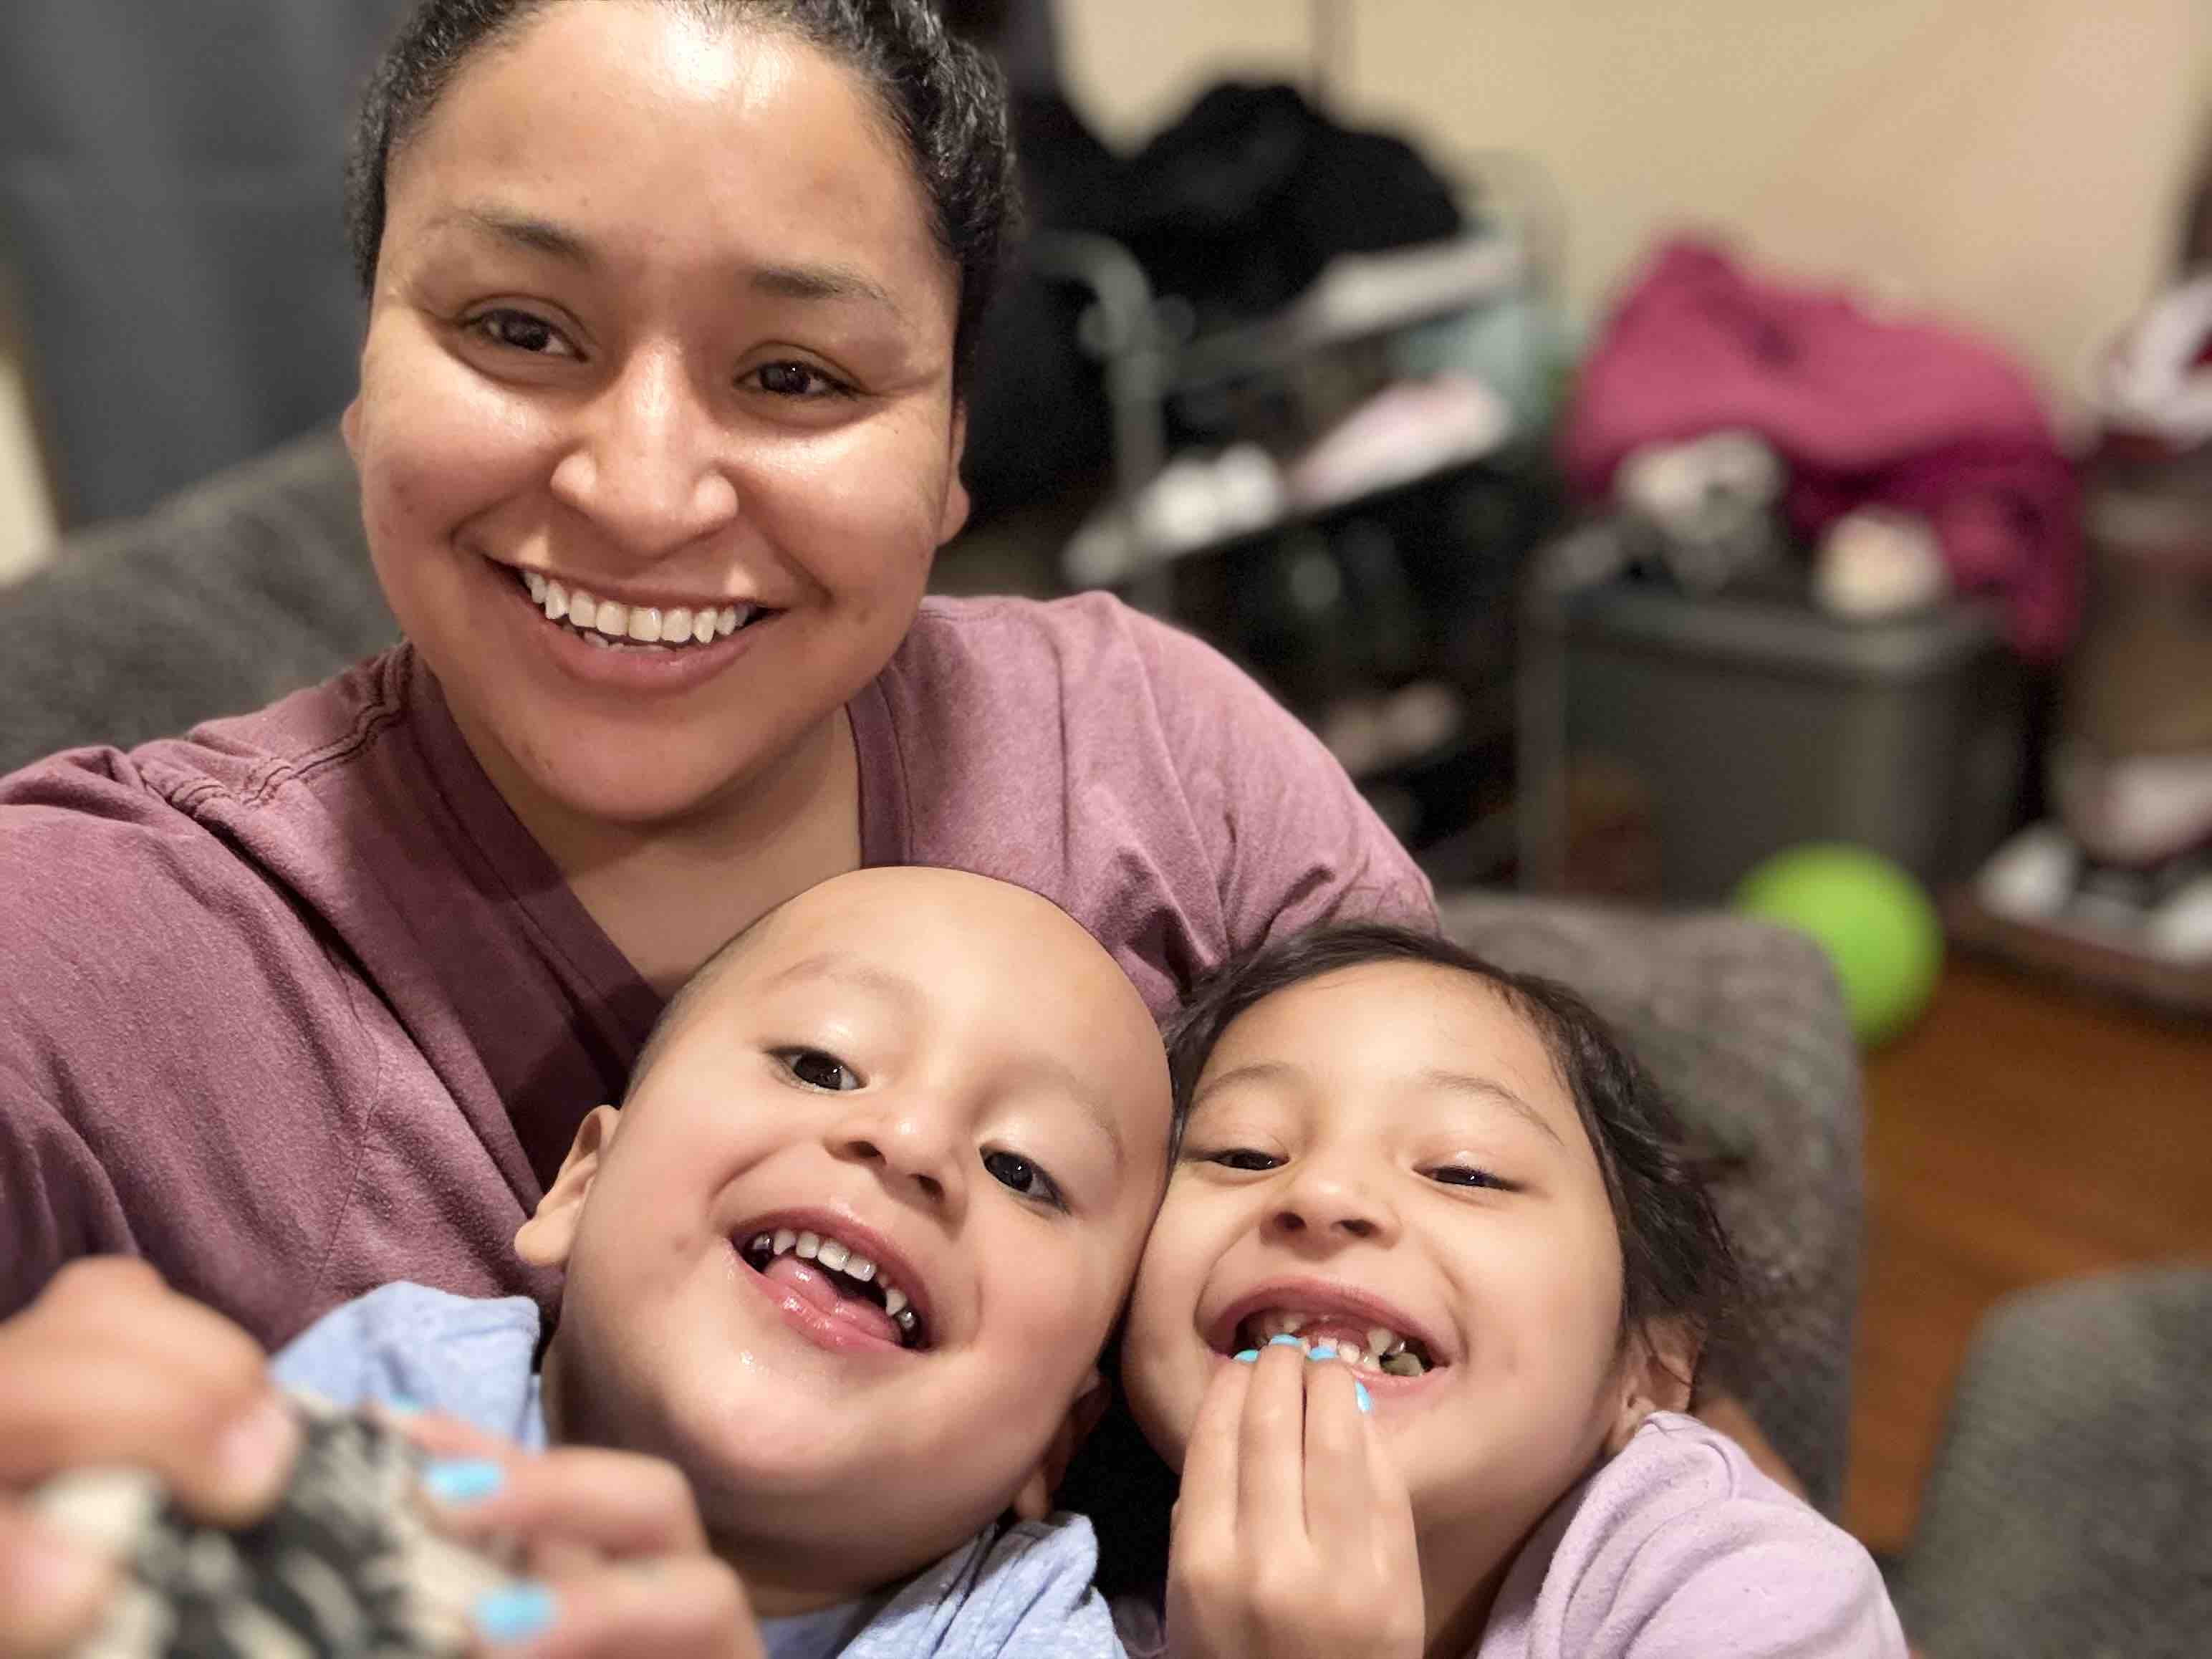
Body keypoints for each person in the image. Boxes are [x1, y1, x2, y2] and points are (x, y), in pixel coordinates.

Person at [0, 1, 1425, 1648]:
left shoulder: (1162, 768)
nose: (641, 490)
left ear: (950, 449)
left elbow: (1582, 1388)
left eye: (794, 373)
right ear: (368, 369)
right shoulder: (80, 958)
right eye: (520, 328)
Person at [256, 865, 1173, 1657]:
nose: (909, 1140)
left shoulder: (1020, 1627)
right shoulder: (404, 1396)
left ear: (1059, 1435)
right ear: (581, 1185)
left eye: (1023, 1170)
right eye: (820, 1064)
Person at [1110, 923, 1906, 1658]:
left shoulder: (1747, 1592)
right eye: (1243, 1153)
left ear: (1652, 1366)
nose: (1322, 1193)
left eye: (1465, 1171)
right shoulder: (1056, 1603)